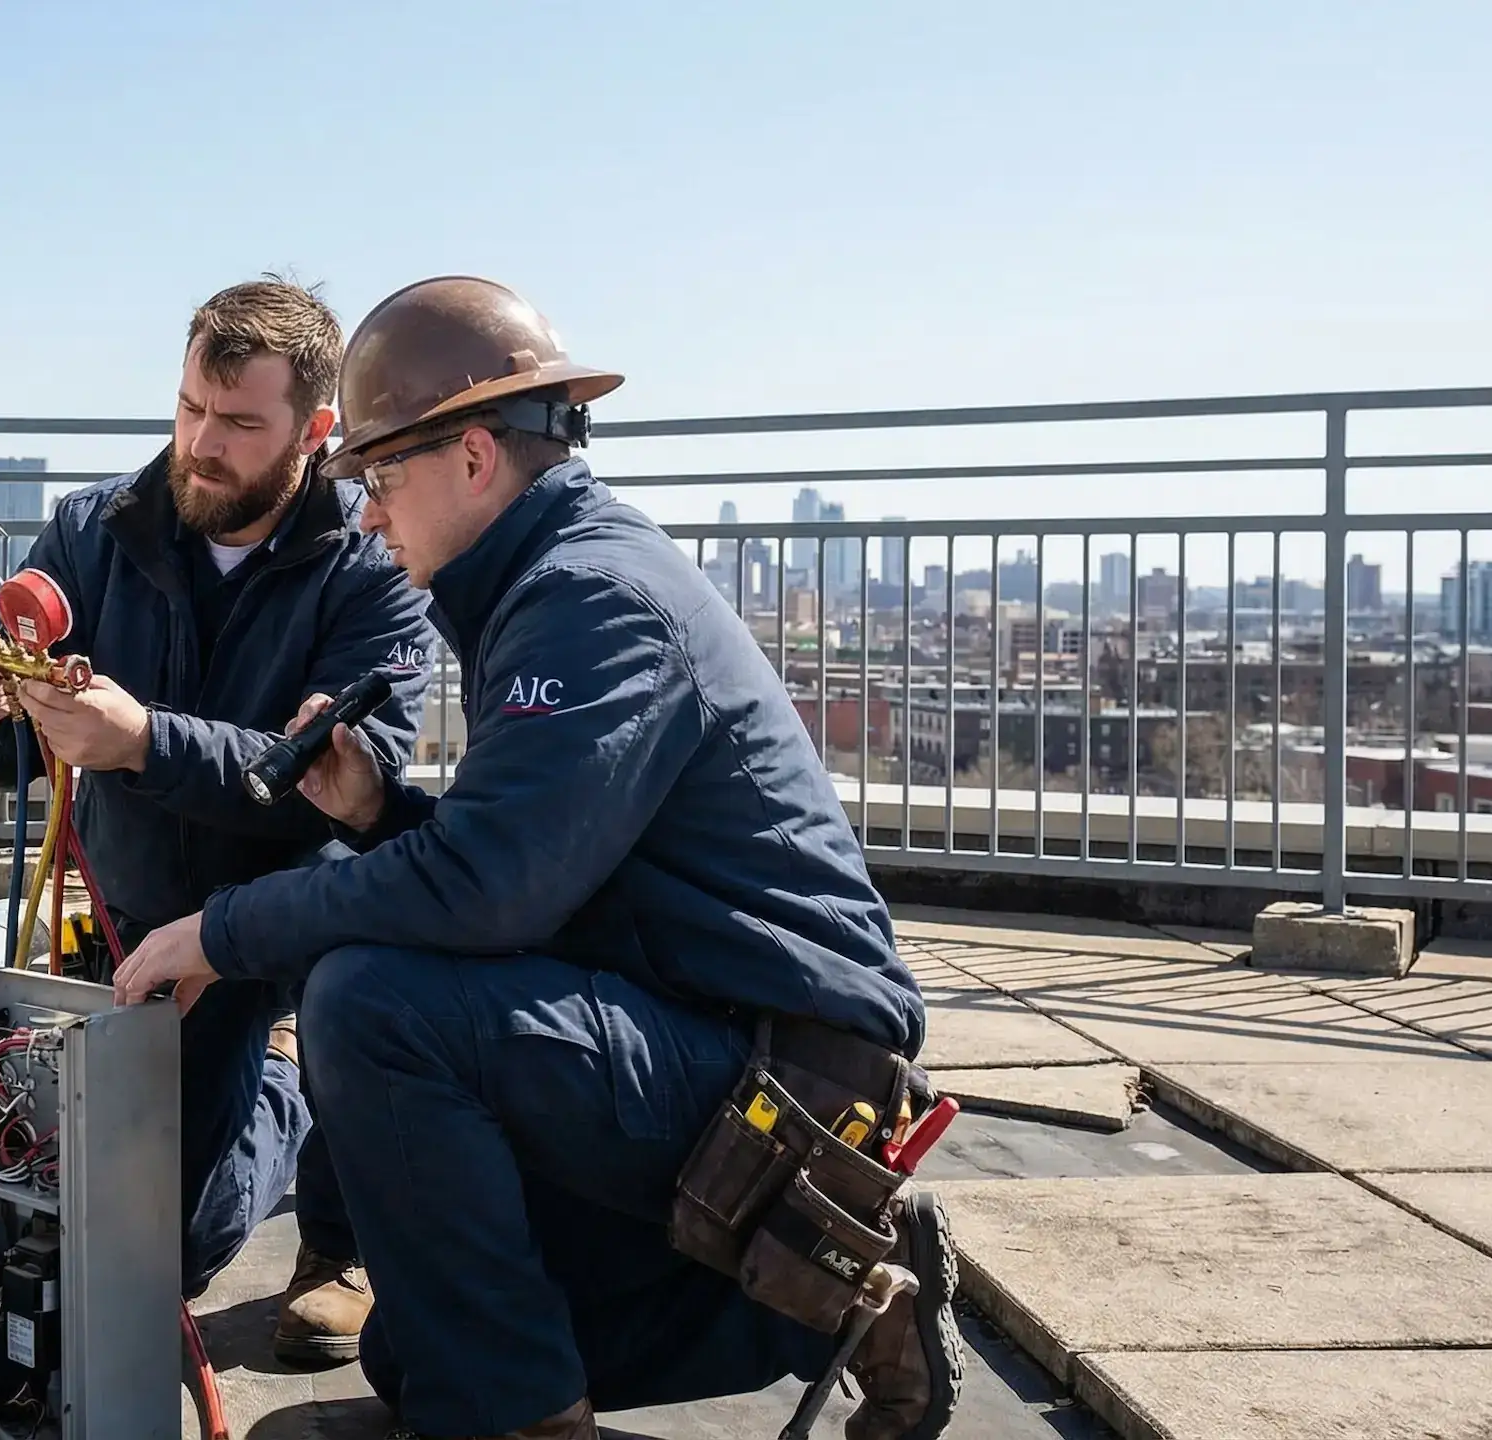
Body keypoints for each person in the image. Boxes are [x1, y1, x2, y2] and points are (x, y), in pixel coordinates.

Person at [112, 277, 957, 1440]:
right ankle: (838, 1298)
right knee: (421, 1357)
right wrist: (375, 816)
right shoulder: (550, 579)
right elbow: (527, 877)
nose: (366, 515)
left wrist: (222, 930)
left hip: (786, 1087)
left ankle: (537, 1414)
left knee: (368, 1001)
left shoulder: (590, 600)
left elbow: (488, 890)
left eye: (381, 479)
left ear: (471, 458)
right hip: (705, 1043)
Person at [0, 277, 436, 1361]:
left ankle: (335, 1226)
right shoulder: (94, 530)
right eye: (190, 409)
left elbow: (354, 777)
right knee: (163, 1248)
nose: (202, 445)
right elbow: (18, 745)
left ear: (316, 430)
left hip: (299, 913)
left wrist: (144, 739)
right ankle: (275, 1094)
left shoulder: (373, 559)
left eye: (242, 424)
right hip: (150, 913)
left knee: (364, 1001)